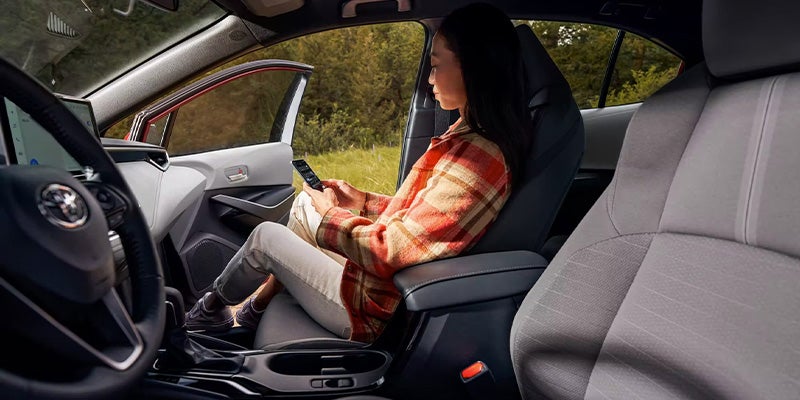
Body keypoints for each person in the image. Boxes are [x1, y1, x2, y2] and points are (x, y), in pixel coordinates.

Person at [185, 2, 532, 343]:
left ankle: (210, 311)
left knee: (265, 238)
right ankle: (255, 310)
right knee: (305, 206)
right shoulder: (468, 138)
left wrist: (332, 215)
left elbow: (392, 250)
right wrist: (361, 201)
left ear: (473, 68)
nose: (429, 80)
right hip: (377, 283)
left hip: (373, 309)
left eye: (436, 66)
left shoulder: (478, 160)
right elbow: (424, 220)